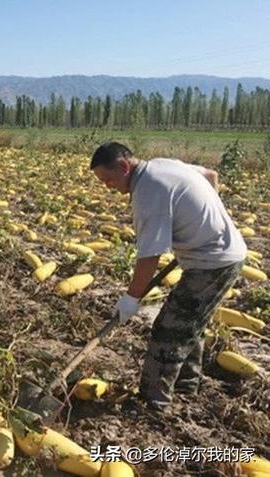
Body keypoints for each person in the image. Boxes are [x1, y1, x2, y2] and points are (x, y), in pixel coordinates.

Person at [90, 142, 247, 411]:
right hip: (223, 254)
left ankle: (154, 402)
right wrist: (205, 219)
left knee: (169, 330)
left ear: (124, 167)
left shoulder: (148, 193)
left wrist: (131, 299)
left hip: (213, 263)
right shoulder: (162, 164)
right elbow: (210, 175)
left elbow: (150, 257)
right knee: (189, 324)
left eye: (108, 179)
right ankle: (186, 386)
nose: (107, 186)